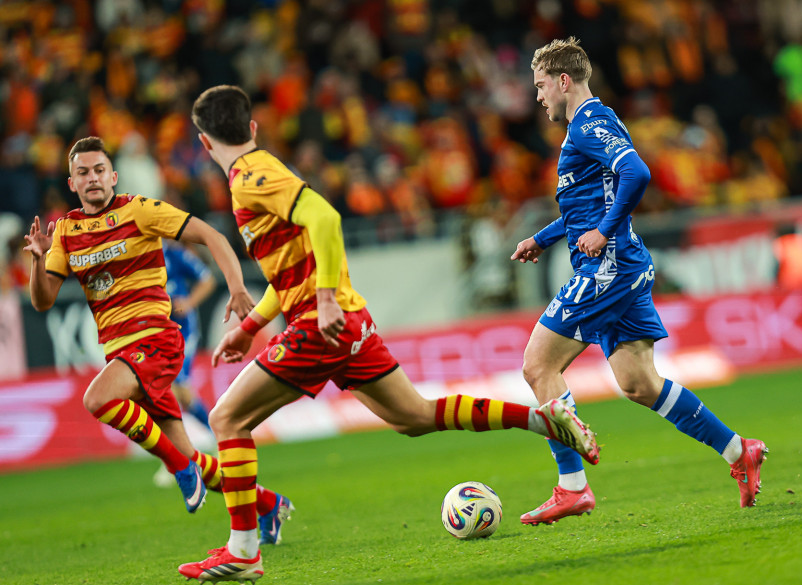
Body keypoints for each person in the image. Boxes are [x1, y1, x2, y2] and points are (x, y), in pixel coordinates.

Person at [178, 85, 599, 583]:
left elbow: (325, 216)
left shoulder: (250, 176)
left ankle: (244, 551)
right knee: (413, 417)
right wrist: (249, 327)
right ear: (251, 127)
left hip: (320, 323)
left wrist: (325, 298)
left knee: (227, 418)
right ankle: (544, 420)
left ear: (204, 142)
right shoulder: (261, 171)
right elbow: (290, 269)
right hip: (346, 321)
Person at [510, 38, 767, 526]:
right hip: (624, 265)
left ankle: (572, 487)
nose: (538, 96)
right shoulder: (595, 122)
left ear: (563, 81)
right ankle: (739, 450)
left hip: (608, 268)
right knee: (639, 383)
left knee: (538, 365)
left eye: (541, 86)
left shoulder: (588, 125)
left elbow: (637, 172)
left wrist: (604, 231)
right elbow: (585, 206)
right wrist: (542, 238)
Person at [23, 136, 294, 545]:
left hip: (155, 339)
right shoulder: (65, 232)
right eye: (83, 172)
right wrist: (38, 260)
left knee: (97, 400)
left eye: (99, 170)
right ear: (72, 183)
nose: (92, 178)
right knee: (190, 454)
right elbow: (43, 301)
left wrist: (237, 287)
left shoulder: (139, 210)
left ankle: (179, 470)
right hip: (121, 352)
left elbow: (212, 236)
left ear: (113, 176)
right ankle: (267, 503)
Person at [153, 240, 217, 488]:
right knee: (173, 395)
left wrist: (188, 302)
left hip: (182, 331)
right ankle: (183, 453)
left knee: (178, 390)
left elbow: (207, 279)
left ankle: (179, 456)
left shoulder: (173, 253)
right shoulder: (138, 252)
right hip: (156, 335)